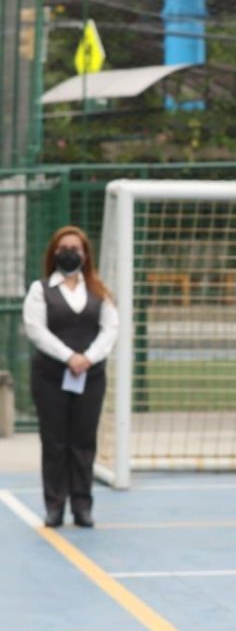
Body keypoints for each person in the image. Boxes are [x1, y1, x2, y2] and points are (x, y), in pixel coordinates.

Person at [22, 226, 118, 529]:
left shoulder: (99, 292)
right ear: (53, 253)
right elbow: (36, 330)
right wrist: (69, 357)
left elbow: (110, 329)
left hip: (91, 377)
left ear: (85, 254)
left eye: (75, 248)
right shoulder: (40, 290)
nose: (69, 253)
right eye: (64, 247)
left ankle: (82, 506)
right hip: (50, 377)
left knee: (83, 441)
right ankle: (54, 506)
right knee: (54, 442)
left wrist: (88, 358)